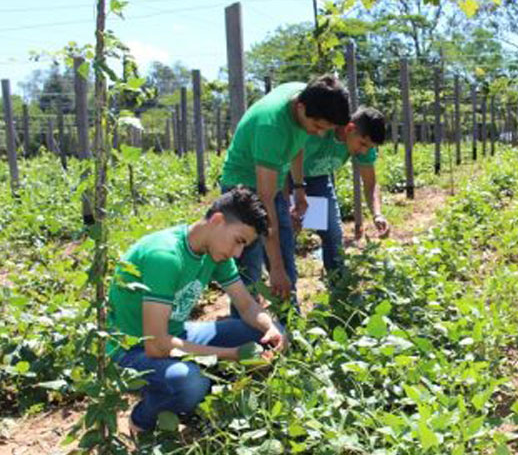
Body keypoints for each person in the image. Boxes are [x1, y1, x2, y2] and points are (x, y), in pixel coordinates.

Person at [107, 187, 289, 433]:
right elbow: (156, 344)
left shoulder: (215, 254)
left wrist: (270, 328)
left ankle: (199, 404)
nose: (238, 253)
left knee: (266, 333)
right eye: (238, 241)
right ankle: (143, 420)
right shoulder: (165, 256)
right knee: (189, 381)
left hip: (176, 334)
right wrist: (232, 354)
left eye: (244, 246)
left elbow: (246, 305)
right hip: (131, 350)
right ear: (217, 220)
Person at [219, 76, 351, 315]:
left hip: (274, 183)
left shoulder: (304, 97)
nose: (320, 135)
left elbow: (297, 145)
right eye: (319, 127)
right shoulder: (272, 126)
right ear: (300, 107)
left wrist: (299, 188)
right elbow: (264, 199)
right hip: (242, 190)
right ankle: (244, 334)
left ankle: (289, 322)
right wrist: (275, 268)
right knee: (250, 267)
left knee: (285, 256)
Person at [292, 106, 390, 274]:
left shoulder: (364, 145)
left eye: (369, 147)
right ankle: (283, 294)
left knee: (333, 234)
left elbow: (370, 183)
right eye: (363, 144)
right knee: (284, 232)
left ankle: (337, 285)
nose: (364, 151)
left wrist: (377, 214)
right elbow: (284, 161)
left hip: (318, 178)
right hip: (287, 176)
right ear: (350, 128)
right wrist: (292, 201)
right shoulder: (318, 132)